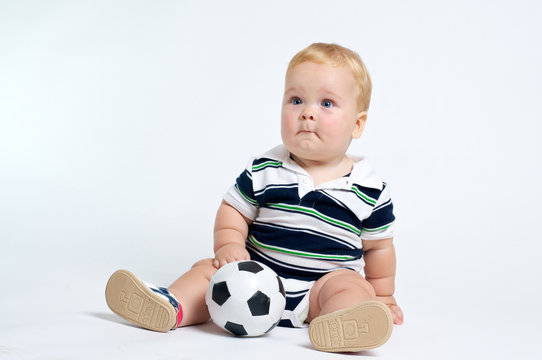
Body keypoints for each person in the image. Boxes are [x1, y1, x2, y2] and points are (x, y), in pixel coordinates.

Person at [105, 42, 403, 353]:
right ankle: (171, 305)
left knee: (350, 286)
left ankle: (347, 321)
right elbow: (233, 210)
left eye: (327, 103)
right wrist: (229, 246)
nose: (307, 113)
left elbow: (379, 249)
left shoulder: (370, 190)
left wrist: (383, 297)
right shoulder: (266, 169)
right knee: (209, 273)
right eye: (296, 100)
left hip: (320, 290)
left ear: (357, 124)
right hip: (252, 279)